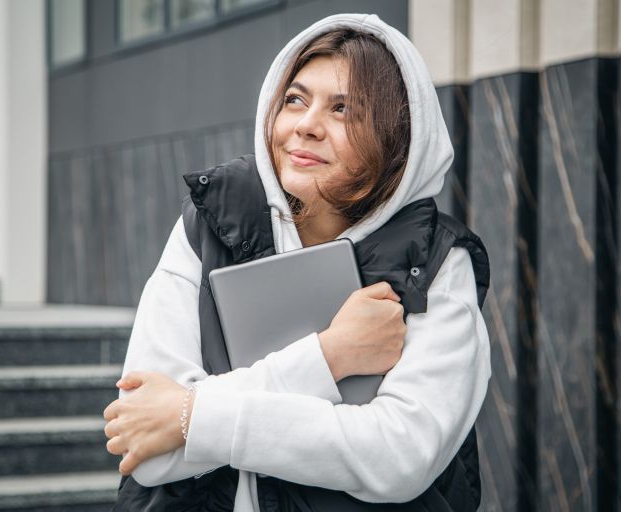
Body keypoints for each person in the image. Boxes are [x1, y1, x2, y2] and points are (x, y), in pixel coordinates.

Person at [102, 13, 491, 512]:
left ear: (397, 139)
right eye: (295, 100)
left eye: (344, 110)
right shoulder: (212, 221)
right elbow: (146, 445)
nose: (307, 126)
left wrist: (192, 416)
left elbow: (397, 456)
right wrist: (329, 356)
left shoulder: (437, 261)